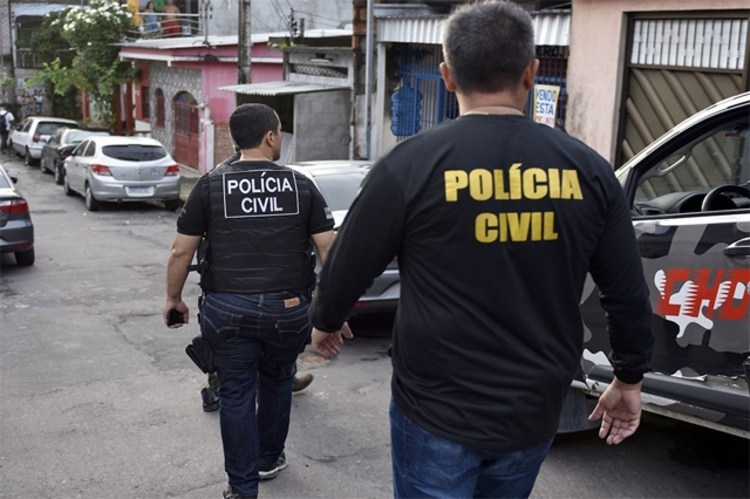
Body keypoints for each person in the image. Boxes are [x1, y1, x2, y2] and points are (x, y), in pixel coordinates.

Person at [309, 2, 654, 498]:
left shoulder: (409, 165)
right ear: (531, 73)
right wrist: (629, 377)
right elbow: (626, 291)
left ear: (448, 76)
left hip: (434, 406)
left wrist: (326, 319)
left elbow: (349, 263)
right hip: (533, 409)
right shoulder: (589, 170)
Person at [163, 103, 336, 499]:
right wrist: (334, 309)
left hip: (227, 310)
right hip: (287, 311)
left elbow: (180, 251)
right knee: (277, 381)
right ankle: (268, 459)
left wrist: (174, 299)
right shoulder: (300, 185)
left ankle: (242, 489)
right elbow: (329, 248)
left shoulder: (210, 185)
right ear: (270, 136)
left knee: (236, 393)